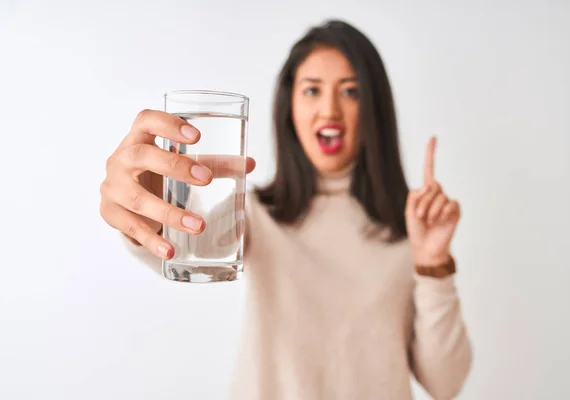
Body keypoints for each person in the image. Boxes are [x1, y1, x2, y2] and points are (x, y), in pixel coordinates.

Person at [100, 19, 472, 400]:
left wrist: (433, 262)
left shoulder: (413, 223)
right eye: (312, 90)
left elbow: (446, 383)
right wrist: (142, 216)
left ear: (375, 107)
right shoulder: (258, 214)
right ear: (289, 105)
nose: (329, 110)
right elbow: (184, 251)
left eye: (351, 92)